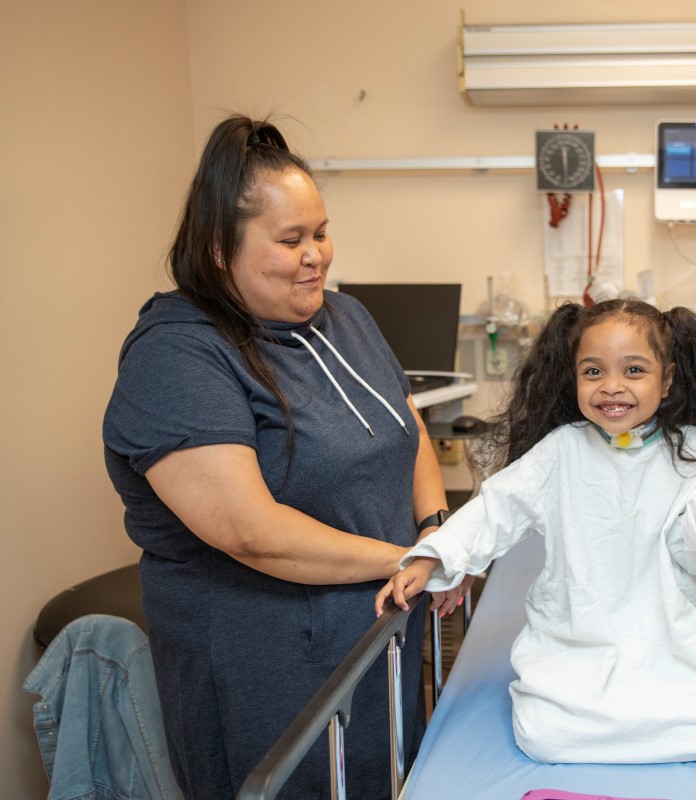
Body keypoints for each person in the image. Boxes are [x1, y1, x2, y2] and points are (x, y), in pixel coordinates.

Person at [103, 115, 466, 799]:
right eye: (291, 239)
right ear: (218, 248)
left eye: (321, 232)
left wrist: (435, 526)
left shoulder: (345, 317)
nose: (316, 256)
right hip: (267, 677)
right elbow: (250, 530)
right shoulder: (177, 356)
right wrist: (410, 561)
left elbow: (404, 420)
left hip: (374, 639)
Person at [375, 299, 696, 764]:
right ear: (574, 378)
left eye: (634, 370)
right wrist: (432, 557)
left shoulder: (692, 452)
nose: (612, 387)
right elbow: (495, 510)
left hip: (663, 635)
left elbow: (695, 555)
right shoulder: (561, 450)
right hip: (576, 633)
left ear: (668, 380)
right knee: (547, 733)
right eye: (593, 372)